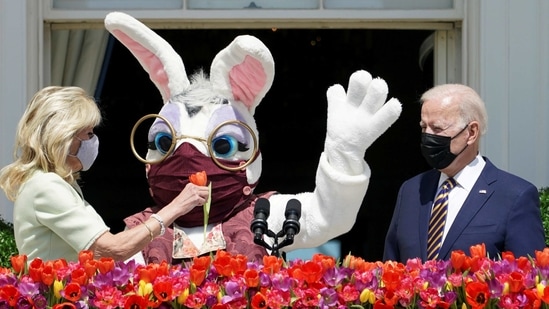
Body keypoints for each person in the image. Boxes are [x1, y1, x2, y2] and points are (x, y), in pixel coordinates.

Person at [0, 86, 210, 262]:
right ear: (63, 137)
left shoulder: (56, 183)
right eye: (89, 133)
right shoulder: (46, 187)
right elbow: (110, 250)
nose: (93, 140)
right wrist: (177, 206)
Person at [383, 83, 545, 263]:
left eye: (437, 128)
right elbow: (391, 269)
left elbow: (530, 279)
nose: (427, 136)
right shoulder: (412, 191)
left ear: (471, 132)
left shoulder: (514, 196)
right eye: (423, 127)